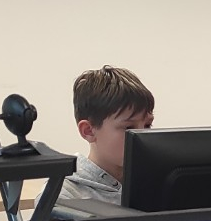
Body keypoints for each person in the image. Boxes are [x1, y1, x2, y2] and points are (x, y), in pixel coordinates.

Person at [58, 66, 155, 205]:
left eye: (147, 125)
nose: (143, 136)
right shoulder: (62, 196)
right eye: (128, 128)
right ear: (88, 131)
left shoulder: (158, 182)